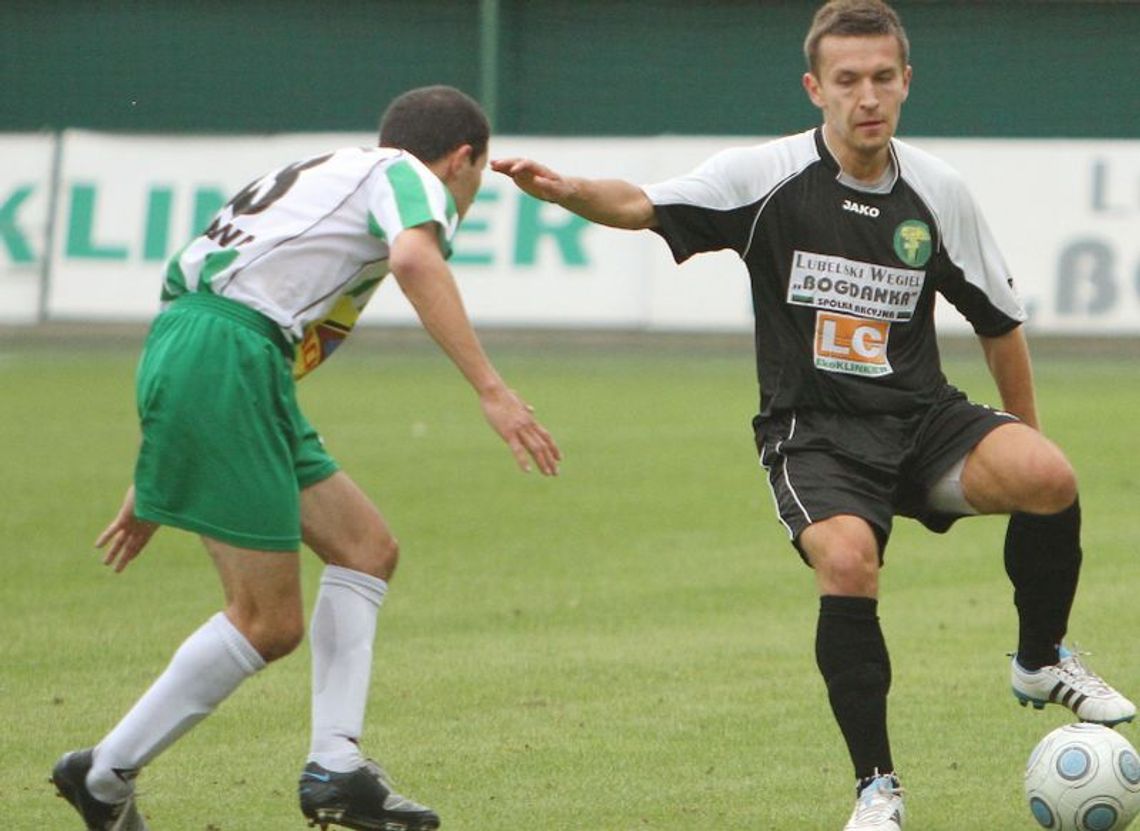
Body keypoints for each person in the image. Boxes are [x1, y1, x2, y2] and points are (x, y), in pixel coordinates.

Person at [492, 2, 1135, 829]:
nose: (866, 96)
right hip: (816, 431)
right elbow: (640, 203)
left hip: (921, 417)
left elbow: (998, 322)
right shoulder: (763, 177)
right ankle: (878, 789)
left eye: (881, 78)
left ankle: (1041, 660)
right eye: (847, 81)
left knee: (1049, 476)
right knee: (848, 561)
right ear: (815, 89)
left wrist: (1024, 434)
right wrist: (567, 189)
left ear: (906, 82)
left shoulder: (938, 191)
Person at [50, 85, 561, 831]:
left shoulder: (327, 174)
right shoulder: (407, 175)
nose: (470, 193)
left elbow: (220, 300)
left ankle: (337, 765)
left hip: (218, 357)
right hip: (227, 355)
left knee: (366, 548)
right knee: (267, 620)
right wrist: (492, 388)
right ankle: (105, 773)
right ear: (462, 159)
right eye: (476, 176)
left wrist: (164, 454)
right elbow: (417, 259)